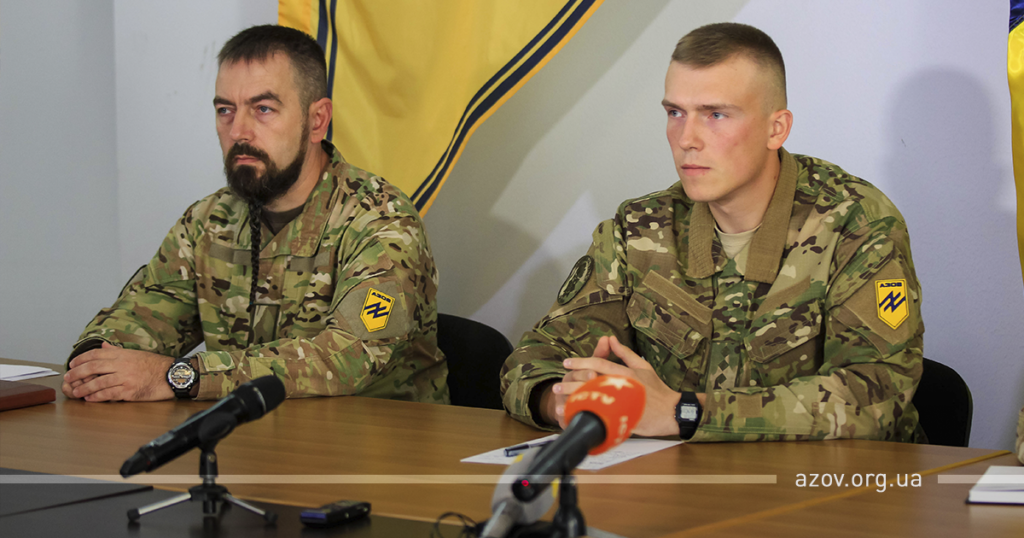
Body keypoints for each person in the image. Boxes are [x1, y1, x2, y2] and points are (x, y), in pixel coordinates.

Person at [500, 22, 924, 442]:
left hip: (831, 480)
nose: (687, 139)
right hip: (681, 478)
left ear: (776, 129)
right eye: (675, 113)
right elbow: (534, 358)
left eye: (715, 115)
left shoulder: (858, 224)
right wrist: (563, 402)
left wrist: (682, 412)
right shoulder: (639, 228)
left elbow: (878, 394)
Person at [62, 25, 446, 403]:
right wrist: (97, 362)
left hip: (373, 437)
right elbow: (141, 315)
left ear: (317, 120)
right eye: (225, 110)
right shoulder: (208, 221)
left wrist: (181, 376)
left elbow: (349, 357)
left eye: (263, 109)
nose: (238, 131)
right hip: (248, 436)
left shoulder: (381, 221)